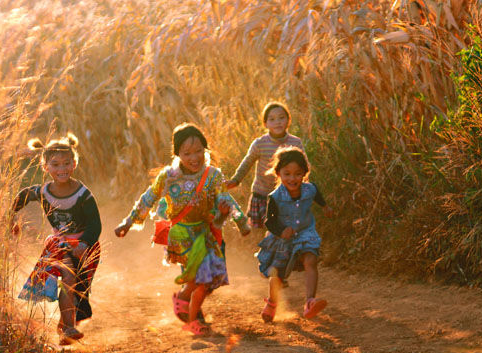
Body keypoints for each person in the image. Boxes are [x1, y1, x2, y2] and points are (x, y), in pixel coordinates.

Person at [114, 123, 246, 336]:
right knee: (198, 276)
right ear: (177, 154)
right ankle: (191, 314)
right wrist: (128, 222)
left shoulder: (213, 175)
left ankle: (188, 308)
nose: (194, 157)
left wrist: (242, 222)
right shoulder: (169, 177)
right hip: (182, 235)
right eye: (187, 153)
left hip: (206, 233)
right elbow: (148, 198)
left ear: (206, 150)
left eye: (198, 151)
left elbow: (226, 200)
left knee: (208, 281)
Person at [11, 133, 102, 342]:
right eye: (55, 164)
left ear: (74, 163)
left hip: (84, 245)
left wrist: (84, 243)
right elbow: (22, 196)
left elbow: (95, 223)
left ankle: (66, 322)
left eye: (66, 163)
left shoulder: (83, 194)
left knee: (80, 287)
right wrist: (11, 217)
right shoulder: (43, 191)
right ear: (46, 167)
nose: (62, 169)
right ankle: (69, 329)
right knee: (68, 278)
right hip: (59, 244)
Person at [255, 146, 332, 322]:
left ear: (305, 173)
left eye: (297, 173)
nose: (292, 178)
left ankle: (310, 302)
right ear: (279, 174)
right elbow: (269, 221)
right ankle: (272, 303)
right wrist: (282, 231)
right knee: (278, 276)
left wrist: (325, 207)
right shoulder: (275, 197)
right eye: (287, 173)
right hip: (282, 239)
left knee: (311, 260)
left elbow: (317, 194)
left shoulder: (309, 189)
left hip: (305, 233)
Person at [225, 101, 305, 230]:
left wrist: (304, 189)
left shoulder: (295, 142)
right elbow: (247, 162)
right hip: (262, 193)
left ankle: (283, 249)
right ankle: (260, 249)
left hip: (287, 195)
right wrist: (236, 180)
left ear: (288, 120)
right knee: (262, 229)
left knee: (286, 229)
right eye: (272, 119)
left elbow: (304, 166)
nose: (277, 122)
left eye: (281, 118)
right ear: (265, 124)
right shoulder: (260, 144)